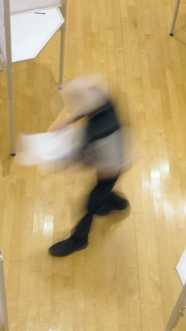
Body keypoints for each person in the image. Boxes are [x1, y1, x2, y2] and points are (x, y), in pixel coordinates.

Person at [48, 76, 130, 258]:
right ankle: (119, 203)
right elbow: (87, 109)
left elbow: (87, 161)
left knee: (90, 204)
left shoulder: (96, 133)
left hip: (111, 167)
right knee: (102, 193)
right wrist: (67, 122)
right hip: (117, 156)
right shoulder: (103, 100)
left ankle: (79, 241)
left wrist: (61, 161)